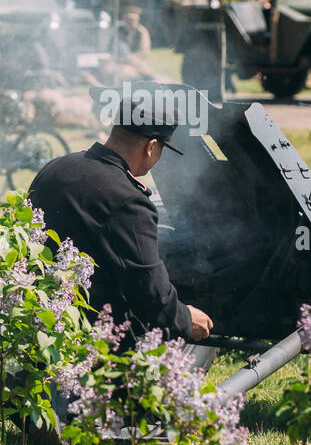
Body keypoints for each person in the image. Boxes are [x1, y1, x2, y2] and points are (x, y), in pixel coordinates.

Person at [28, 84, 213, 344]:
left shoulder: (55, 168)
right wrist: (184, 317)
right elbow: (151, 296)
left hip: (37, 320)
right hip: (96, 341)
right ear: (150, 147)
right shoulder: (130, 202)